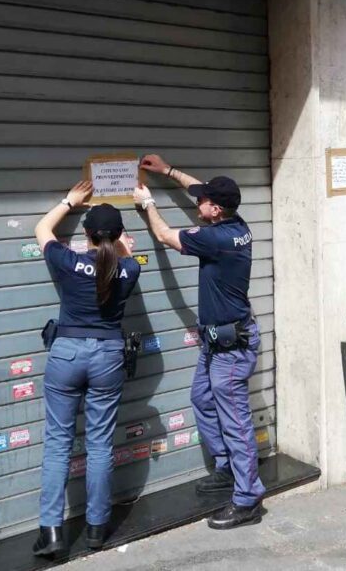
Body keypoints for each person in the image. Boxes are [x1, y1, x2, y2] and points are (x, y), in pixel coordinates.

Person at [134, 154, 265, 530]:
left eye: (204, 201)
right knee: (202, 400)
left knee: (237, 422)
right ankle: (226, 468)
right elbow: (198, 188)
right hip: (217, 343)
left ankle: (248, 498)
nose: (197, 201)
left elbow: (163, 235)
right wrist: (168, 171)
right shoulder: (235, 224)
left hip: (232, 349)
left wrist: (147, 203)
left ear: (216, 209)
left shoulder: (215, 239)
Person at [32, 180, 141, 556]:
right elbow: (124, 259)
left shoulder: (66, 260)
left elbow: (41, 230)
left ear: (86, 234)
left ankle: (51, 533)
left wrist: (69, 201)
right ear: (121, 235)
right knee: (99, 445)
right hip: (108, 356)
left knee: (58, 445)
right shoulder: (129, 270)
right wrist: (126, 248)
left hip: (66, 355)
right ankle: (96, 528)